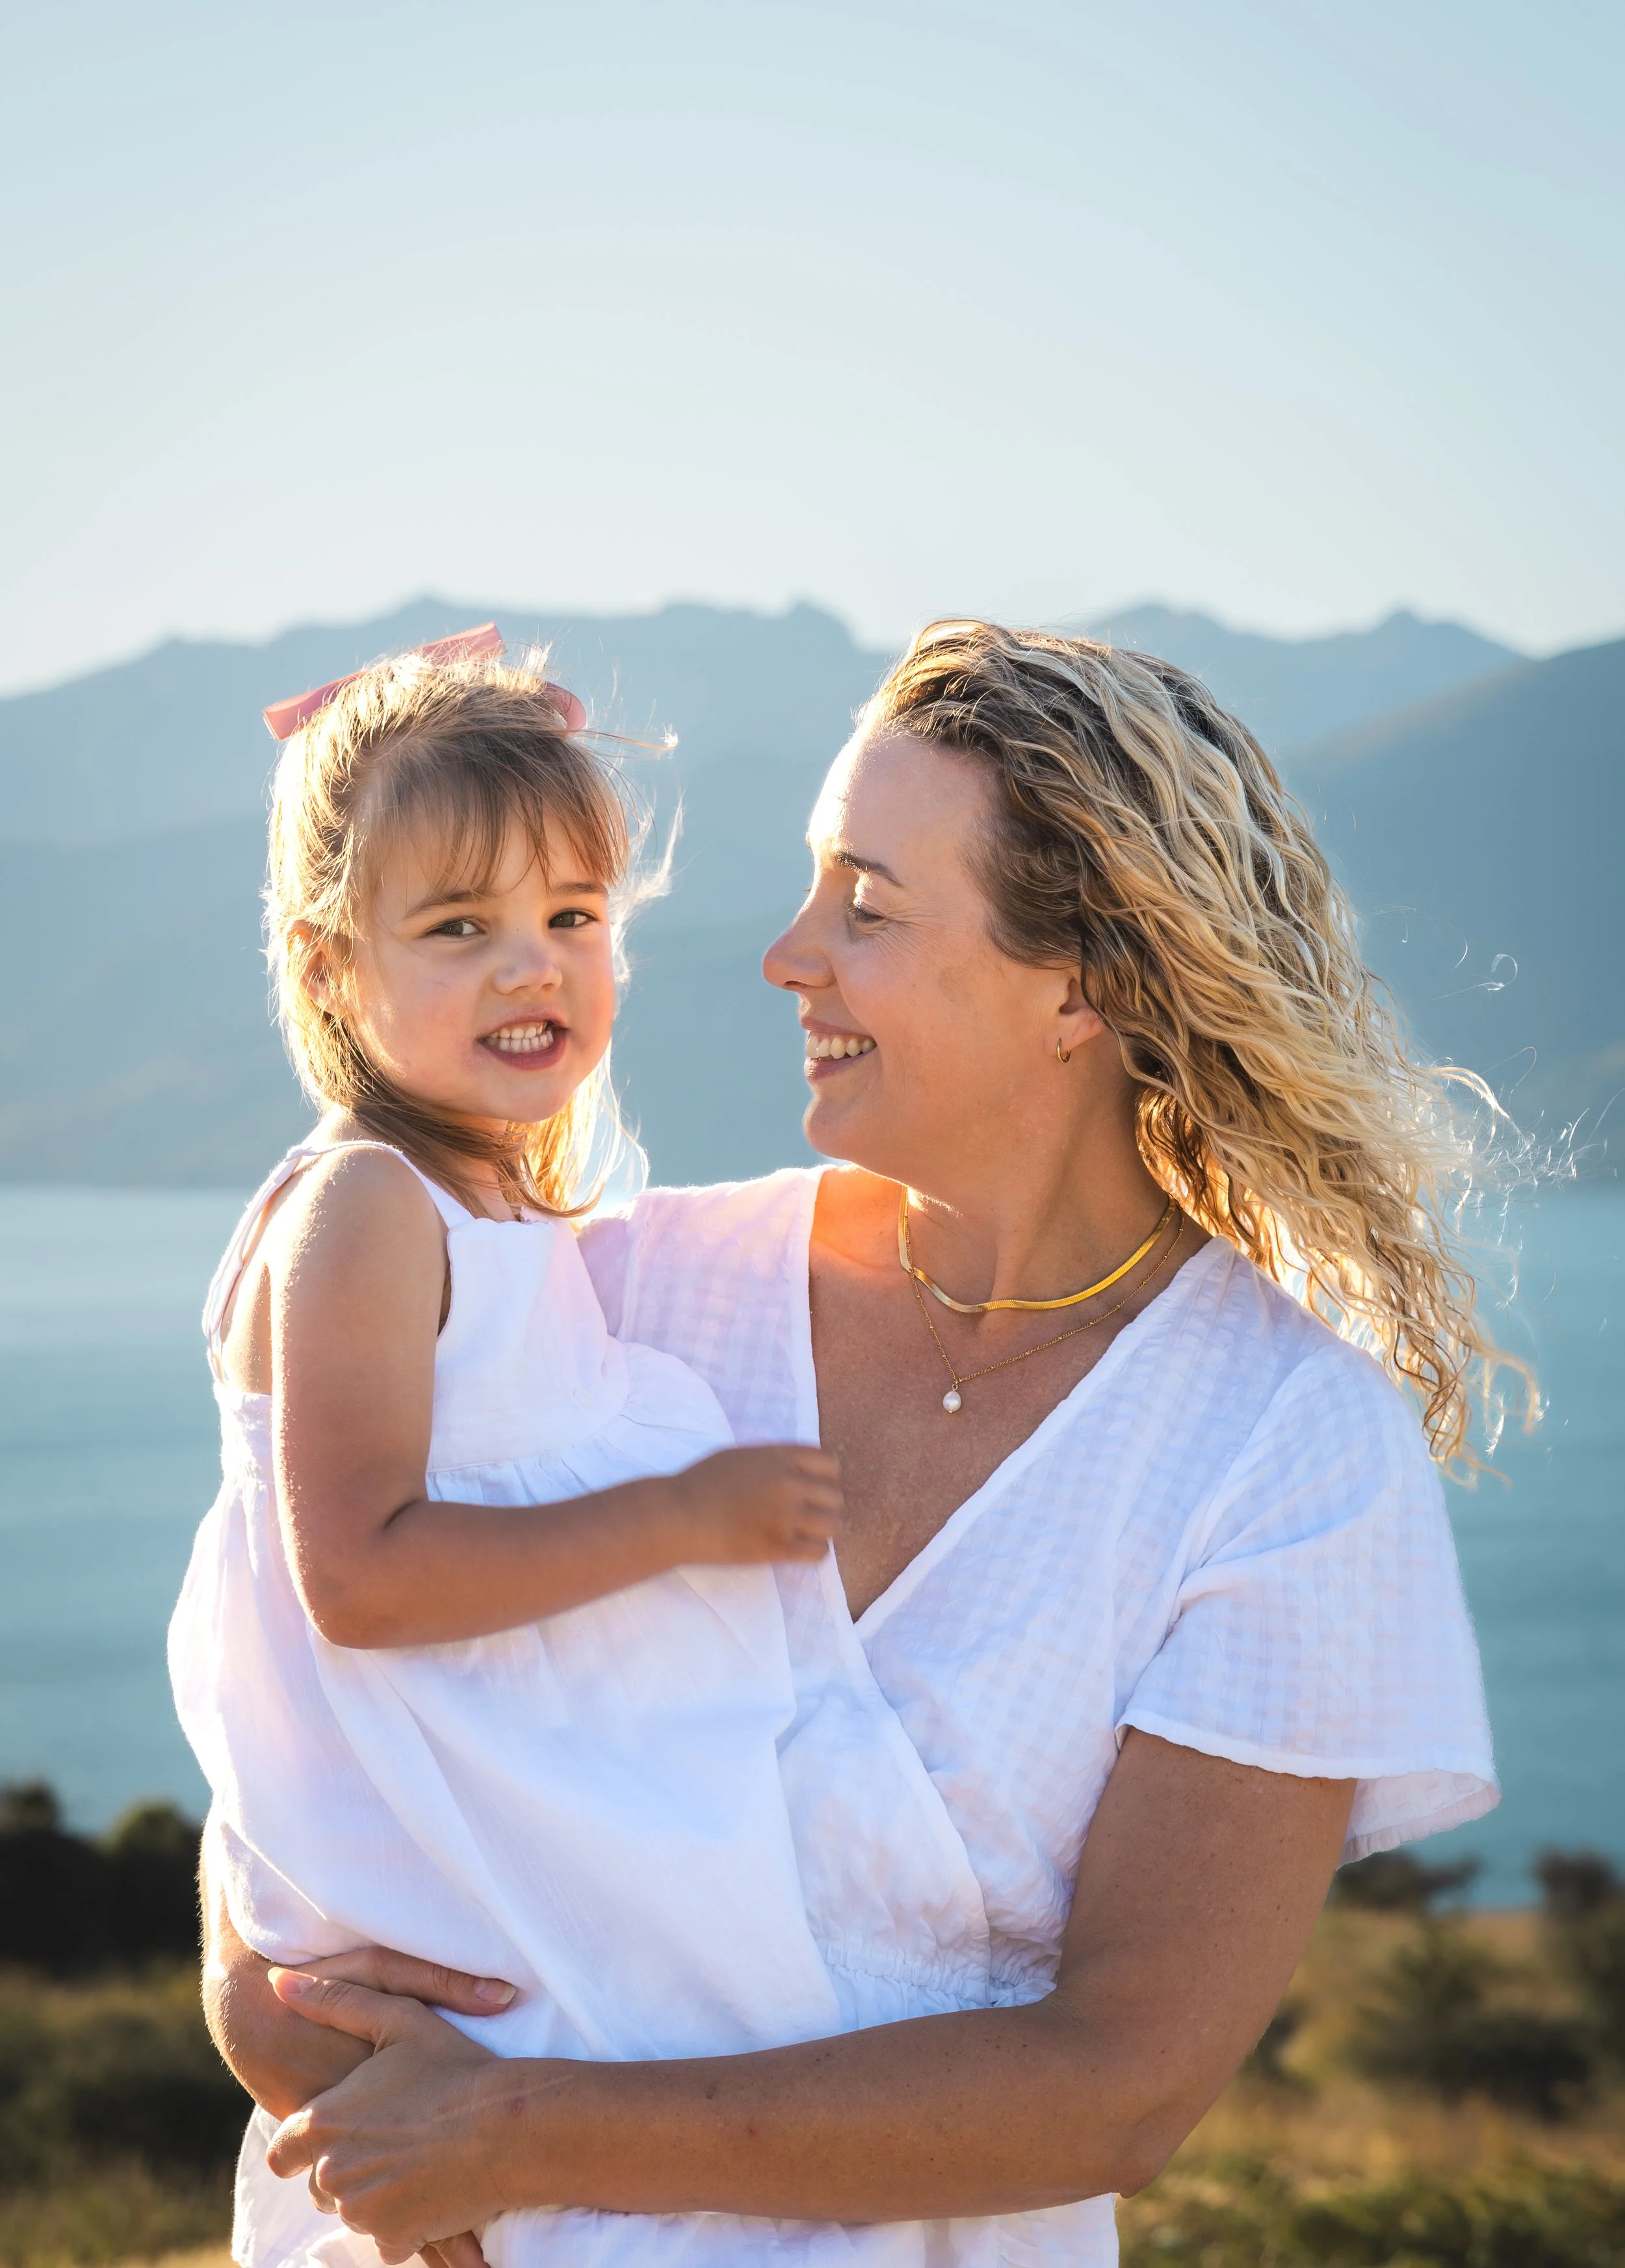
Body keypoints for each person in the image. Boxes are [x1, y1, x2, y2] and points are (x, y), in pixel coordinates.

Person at [205, 621, 1509, 2268]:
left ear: (1083, 982)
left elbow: (1118, 2086)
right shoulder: (621, 1298)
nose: (784, 955)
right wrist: (253, 1981)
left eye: (866, 907)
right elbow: (306, 1673)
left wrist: (513, 2134)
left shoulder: (1284, 1445)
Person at [168, 627, 848, 2268]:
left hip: (495, 1877)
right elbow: (361, 1579)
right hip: (443, 1903)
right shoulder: (366, 1207)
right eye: (457, 926)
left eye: (572, 917)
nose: (528, 966)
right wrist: (678, 1516)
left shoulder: (484, 1206)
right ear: (331, 966)